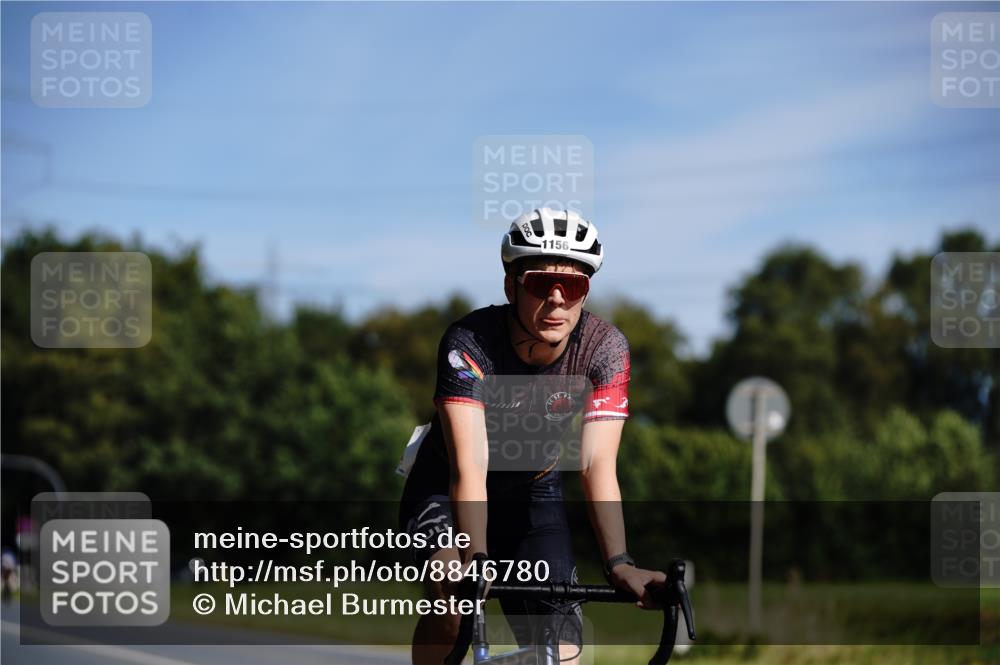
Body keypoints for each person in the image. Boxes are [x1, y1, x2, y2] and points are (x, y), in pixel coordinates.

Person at [398, 208, 665, 664]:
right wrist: (474, 559)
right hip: (447, 486)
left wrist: (619, 563)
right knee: (454, 602)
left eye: (574, 286)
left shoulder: (605, 349)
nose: (558, 300)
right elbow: (471, 465)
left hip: (532, 490)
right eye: (542, 283)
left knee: (563, 648)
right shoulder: (470, 341)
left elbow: (597, 464)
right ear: (511, 286)